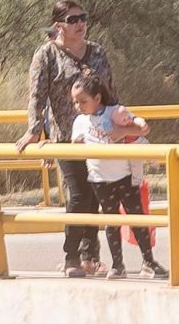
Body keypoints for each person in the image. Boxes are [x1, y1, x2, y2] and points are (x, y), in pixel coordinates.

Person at [14, 0, 115, 277]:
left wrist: (119, 122)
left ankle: (89, 257)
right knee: (79, 194)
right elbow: (37, 96)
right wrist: (35, 130)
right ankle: (71, 255)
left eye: (83, 17)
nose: (80, 24)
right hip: (66, 137)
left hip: (98, 135)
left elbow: (109, 92)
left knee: (95, 194)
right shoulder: (47, 54)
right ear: (59, 25)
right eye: (73, 20)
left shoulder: (97, 52)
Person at [68, 72, 162, 279]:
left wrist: (128, 128)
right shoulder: (80, 122)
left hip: (125, 176)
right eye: (75, 102)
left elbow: (140, 128)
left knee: (137, 217)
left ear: (98, 98)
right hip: (99, 179)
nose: (78, 106)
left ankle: (148, 261)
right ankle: (117, 265)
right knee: (111, 220)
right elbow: (76, 145)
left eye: (83, 101)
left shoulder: (114, 113)